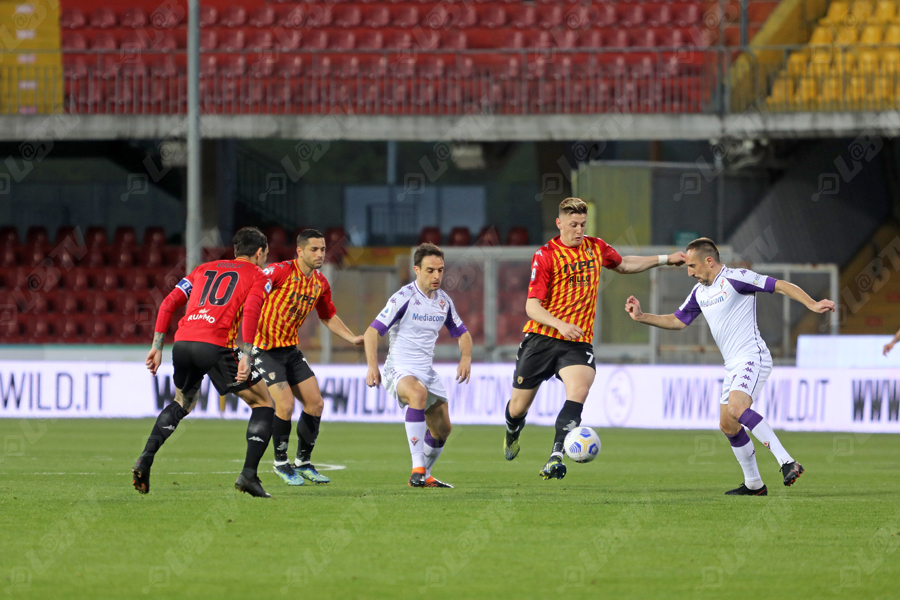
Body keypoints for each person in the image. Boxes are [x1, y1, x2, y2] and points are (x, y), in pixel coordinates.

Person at [625, 237, 835, 495]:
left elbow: (778, 285)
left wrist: (812, 304)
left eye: (692, 266)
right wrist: (642, 317)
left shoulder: (736, 278)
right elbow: (678, 321)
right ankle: (754, 485)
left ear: (709, 261)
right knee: (728, 425)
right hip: (732, 365)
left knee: (737, 408)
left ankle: (787, 461)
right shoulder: (699, 292)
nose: (689, 272)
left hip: (752, 356)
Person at [503, 197, 687, 480]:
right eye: (573, 224)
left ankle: (555, 456)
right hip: (541, 339)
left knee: (579, 392)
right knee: (517, 408)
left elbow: (624, 264)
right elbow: (532, 307)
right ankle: (513, 430)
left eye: (583, 225)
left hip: (578, 342)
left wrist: (665, 259)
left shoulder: (595, 247)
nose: (578, 230)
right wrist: (560, 324)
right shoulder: (545, 255)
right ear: (559, 223)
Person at [134, 226, 278, 498]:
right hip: (215, 344)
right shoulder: (258, 275)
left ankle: (146, 457)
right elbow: (251, 311)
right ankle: (248, 475)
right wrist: (246, 353)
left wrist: (157, 347)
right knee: (263, 403)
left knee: (182, 402)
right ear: (259, 253)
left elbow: (167, 303)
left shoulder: (202, 269)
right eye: (265, 254)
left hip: (183, 343)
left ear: (236, 251)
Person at [253, 229, 364, 486]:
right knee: (286, 405)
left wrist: (351, 338)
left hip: (290, 351)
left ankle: (303, 462)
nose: (320, 254)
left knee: (315, 404)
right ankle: (281, 463)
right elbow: (254, 294)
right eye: (314, 249)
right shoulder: (278, 272)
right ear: (299, 251)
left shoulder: (320, 283)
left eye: (323, 249)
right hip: (265, 350)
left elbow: (327, 316)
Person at [363, 243, 472, 488]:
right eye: (430, 270)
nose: (436, 276)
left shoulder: (444, 301)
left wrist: (465, 358)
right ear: (417, 270)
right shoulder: (403, 297)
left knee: (442, 430)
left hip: (426, 371)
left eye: (440, 270)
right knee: (417, 393)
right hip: (399, 368)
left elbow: (463, 333)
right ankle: (418, 468)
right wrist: (373, 367)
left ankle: (425, 475)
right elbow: (372, 332)